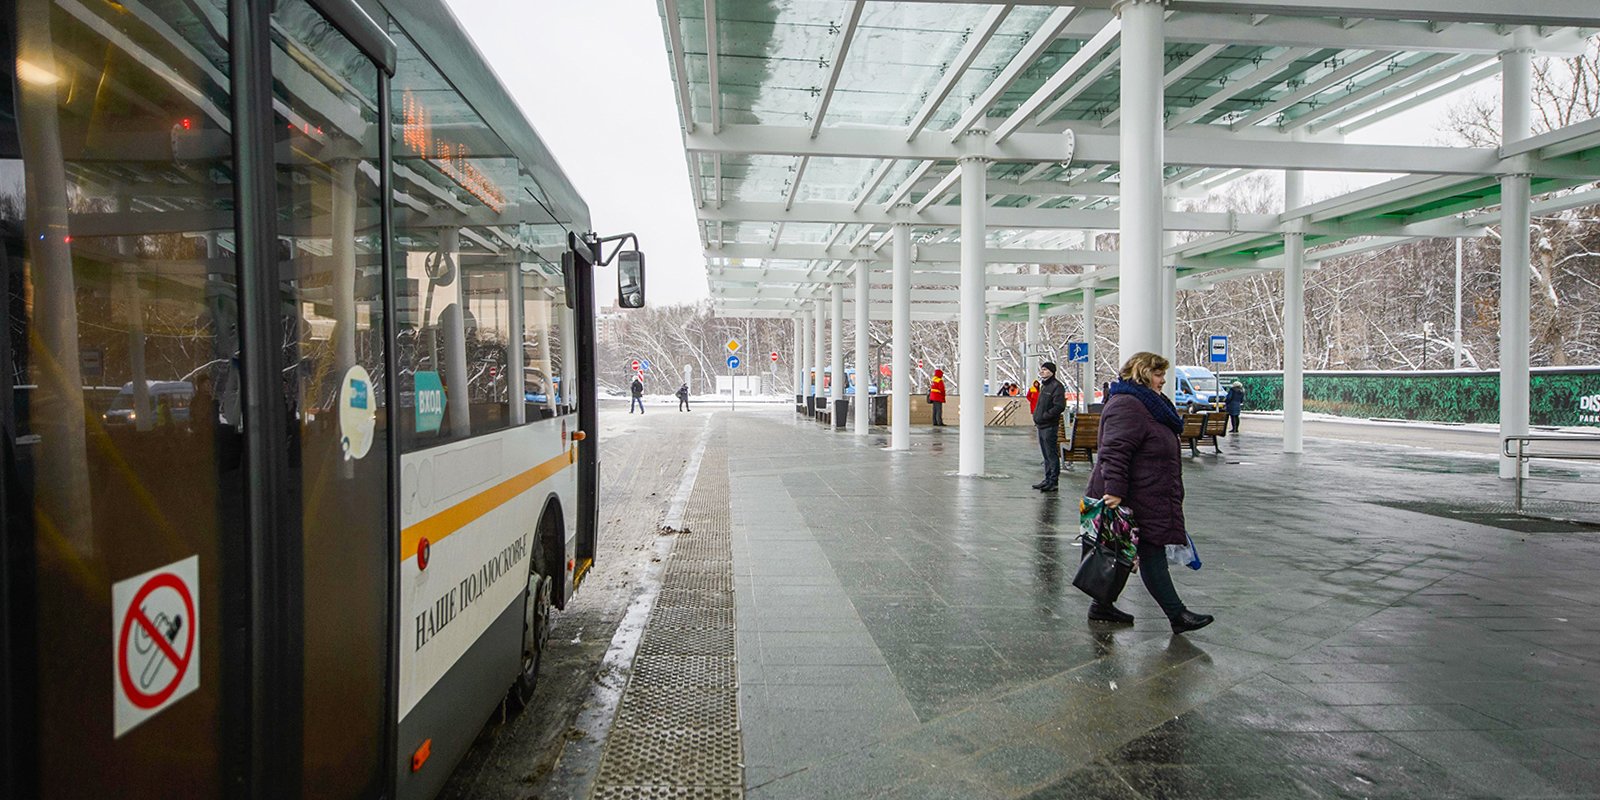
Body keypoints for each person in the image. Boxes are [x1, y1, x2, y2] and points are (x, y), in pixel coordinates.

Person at [1084, 351, 1214, 634]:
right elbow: (1115, 450)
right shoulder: (1129, 405)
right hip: (1131, 495)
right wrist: (1115, 490)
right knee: (1147, 551)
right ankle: (1177, 615)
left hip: (1146, 491)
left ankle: (1102, 606)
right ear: (1142, 373)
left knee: (1121, 551)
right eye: (1158, 374)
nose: (1162, 381)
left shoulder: (1148, 403)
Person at [1031, 362, 1066, 491]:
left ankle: (1053, 481)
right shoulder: (1044, 387)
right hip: (1042, 425)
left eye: (1045, 370)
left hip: (1049, 425)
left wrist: (1045, 415)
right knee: (1046, 454)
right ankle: (1047, 478)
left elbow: (1059, 406)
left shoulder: (1056, 386)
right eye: (1042, 369)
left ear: (1051, 371)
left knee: (1051, 453)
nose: (1042, 372)